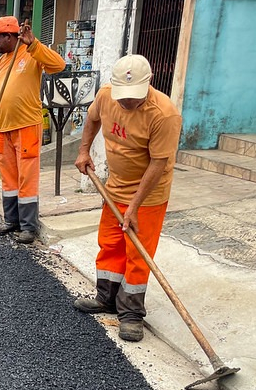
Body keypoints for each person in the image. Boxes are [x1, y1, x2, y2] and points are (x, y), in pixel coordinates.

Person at [72, 55, 182, 342]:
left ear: (149, 83)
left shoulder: (164, 114)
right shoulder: (107, 96)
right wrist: (83, 151)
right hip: (115, 186)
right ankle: (106, 298)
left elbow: (158, 164)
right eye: (123, 96)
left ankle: (132, 313)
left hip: (148, 195)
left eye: (133, 98)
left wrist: (133, 207)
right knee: (110, 245)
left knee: (137, 253)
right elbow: (92, 118)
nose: (126, 103)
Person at [0, 16, 65, 244]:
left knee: (26, 178)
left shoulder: (32, 54)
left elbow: (58, 66)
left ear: (10, 36)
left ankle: (28, 227)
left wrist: (34, 44)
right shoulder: (2, 62)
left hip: (27, 126)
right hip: (4, 128)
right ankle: (12, 221)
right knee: (9, 179)